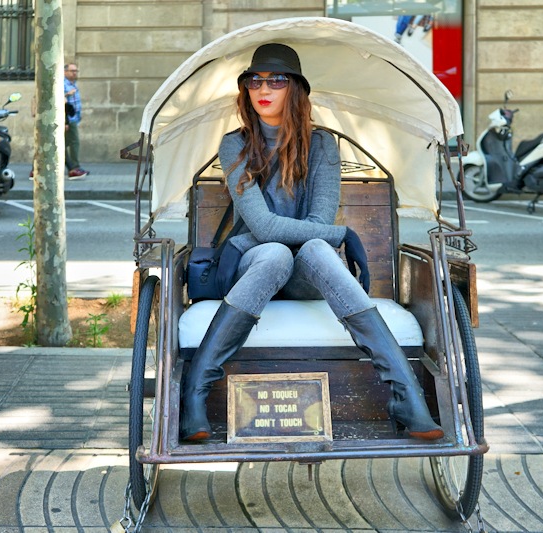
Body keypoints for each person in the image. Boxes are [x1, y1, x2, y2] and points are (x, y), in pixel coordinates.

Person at [179, 43, 444, 443]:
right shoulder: (234, 145)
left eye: (276, 80)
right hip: (250, 266)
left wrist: (326, 234)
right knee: (274, 252)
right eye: (254, 80)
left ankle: (406, 395)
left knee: (316, 248)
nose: (262, 88)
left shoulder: (321, 146)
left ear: (296, 89)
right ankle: (195, 392)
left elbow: (318, 223)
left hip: (306, 270)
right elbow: (265, 228)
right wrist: (340, 234)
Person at [64, 63, 89, 178]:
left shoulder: (73, 84)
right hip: (69, 119)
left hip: (74, 118)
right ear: (65, 72)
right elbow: (59, 100)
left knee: (64, 144)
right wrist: (65, 122)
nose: (75, 73)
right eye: (72, 71)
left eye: (76, 71)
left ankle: (72, 167)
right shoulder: (63, 84)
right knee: (74, 142)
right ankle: (75, 167)